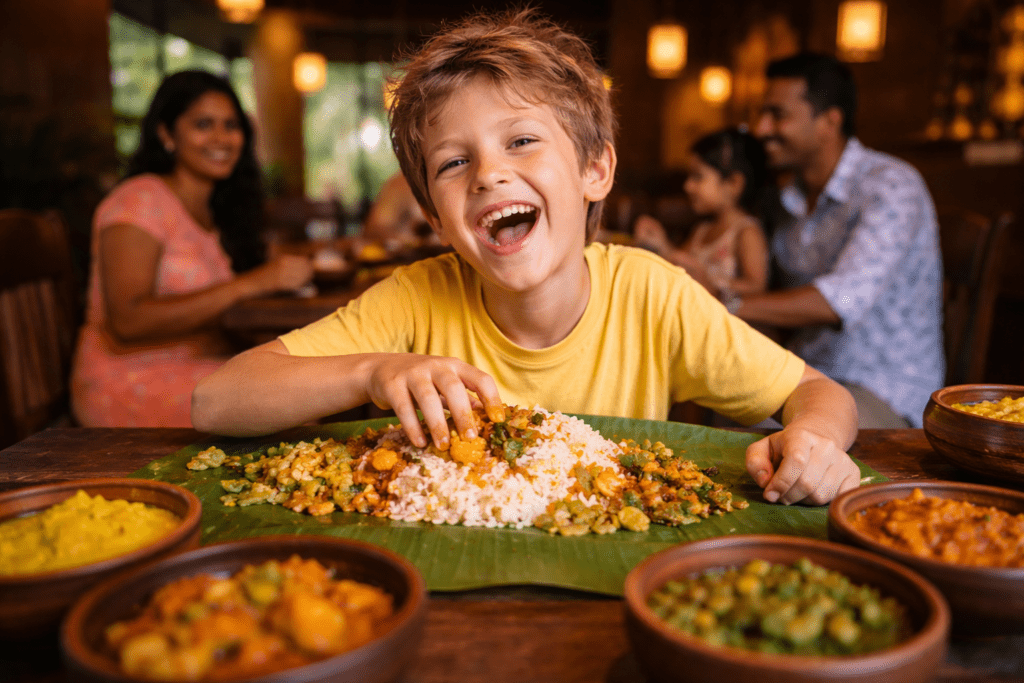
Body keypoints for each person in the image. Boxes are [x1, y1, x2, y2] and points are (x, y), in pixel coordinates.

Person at [193, 10, 861, 506]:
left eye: (521, 140)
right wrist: (372, 369)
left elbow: (818, 392)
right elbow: (216, 400)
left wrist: (816, 443)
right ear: (435, 219)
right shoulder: (415, 297)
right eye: (453, 162)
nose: (488, 174)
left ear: (594, 169)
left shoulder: (653, 295)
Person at [70, 70, 314, 428]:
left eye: (231, 125)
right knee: (299, 401)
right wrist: (255, 282)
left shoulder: (214, 210)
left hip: (203, 365)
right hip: (129, 381)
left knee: (313, 380)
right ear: (166, 134)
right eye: (204, 124)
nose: (223, 138)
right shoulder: (139, 200)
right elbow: (128, 321)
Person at [731, 52, 944, 429]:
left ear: (829, 122)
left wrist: (722, 304)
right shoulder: (789, 197)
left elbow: (838, 301)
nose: (761, 129)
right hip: (808, 375)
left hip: (883, 388)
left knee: (756, 437)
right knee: (718, 407)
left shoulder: (890, 185)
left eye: (777, 115)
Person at [632, 128, 770, 301]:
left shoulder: (746, 232)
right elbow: (680, 267)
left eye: (698, 177)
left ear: (733, 183)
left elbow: (756, 287)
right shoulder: (702, 231)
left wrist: (712, 284)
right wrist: (661, 244)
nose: (688, 186)